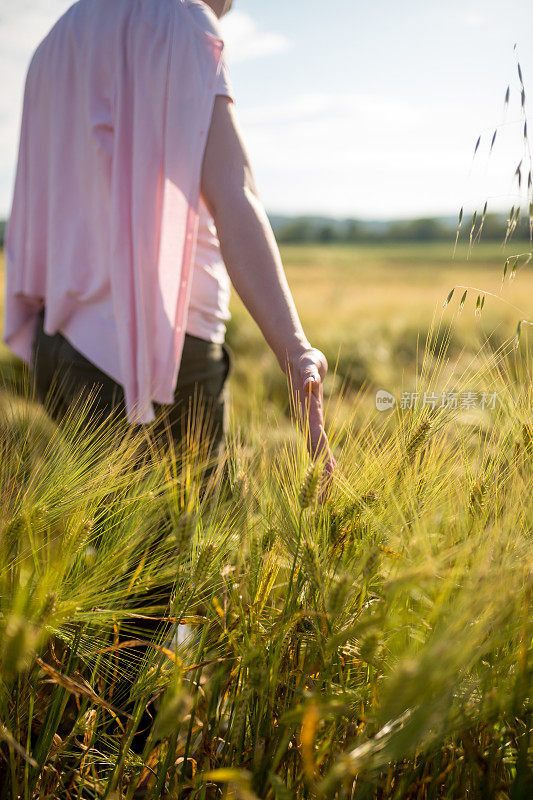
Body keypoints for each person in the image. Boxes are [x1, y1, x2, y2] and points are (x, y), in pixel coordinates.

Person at [3, 0, 336, 484]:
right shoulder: (181, 18)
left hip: (60, 342)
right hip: (165, 351)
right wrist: (295, 348)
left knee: (114, 545)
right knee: (190, 543)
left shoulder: (53, 42)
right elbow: (233, 195)